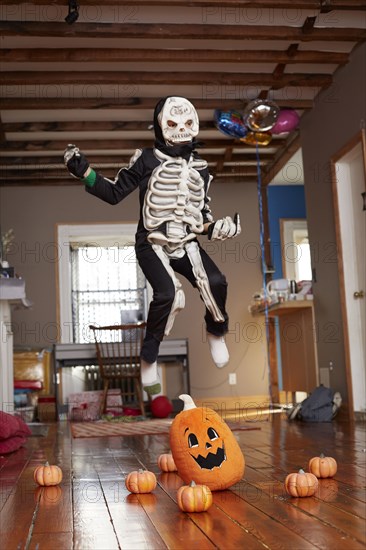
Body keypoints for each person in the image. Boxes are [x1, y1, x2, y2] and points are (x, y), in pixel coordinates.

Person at [64, 96, 241, 396]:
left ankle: (216, 330)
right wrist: (85, 173)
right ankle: (149, 359)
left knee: (216, 281)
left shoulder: (202, 168)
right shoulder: (146, 159)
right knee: (169, 294)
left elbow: (202, 218)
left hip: (186, 241)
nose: (181, 129)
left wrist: (218, 228)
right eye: (173, 123)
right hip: (151, 242)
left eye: (187, 123)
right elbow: (115, 193)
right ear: (161, 126)